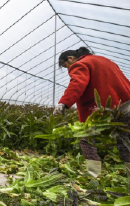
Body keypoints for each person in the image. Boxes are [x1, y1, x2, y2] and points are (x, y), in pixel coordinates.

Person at [53, 46, 130, 178]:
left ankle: (94, 175)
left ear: (70, 58)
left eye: (66, 66)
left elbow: (77, 83)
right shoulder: (105, 61)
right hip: (125, 105)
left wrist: (63, 103)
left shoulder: (81, 64)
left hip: (104, 109)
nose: (68, 69)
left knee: (86, 139)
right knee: (124, 140)